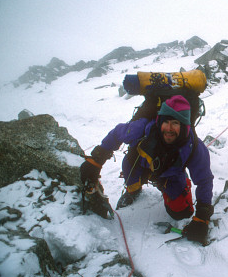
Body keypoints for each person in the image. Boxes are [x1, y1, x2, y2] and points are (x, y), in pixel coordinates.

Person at [80, 95, 214, 245]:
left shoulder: (194, 147)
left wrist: (202, 217)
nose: (169, 129)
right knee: (131, 174)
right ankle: (133, 191)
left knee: (181, 213)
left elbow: (205, 180)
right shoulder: (141, 128)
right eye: (166, 122)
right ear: (159, 122)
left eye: (175, 123)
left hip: (169, 174)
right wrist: (96, 160)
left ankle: (172, 184)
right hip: (138, 164)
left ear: (185, 126)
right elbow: (117, 133)